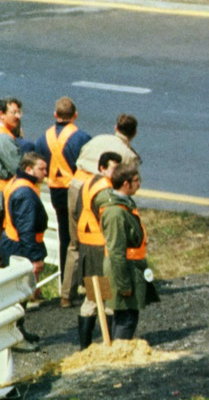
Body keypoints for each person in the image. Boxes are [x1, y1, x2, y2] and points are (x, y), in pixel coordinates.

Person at [64, 113, 139, 309]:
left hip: (77, 185)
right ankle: (104, 295)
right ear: (134, 133)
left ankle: (67, 295)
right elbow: (128, 185)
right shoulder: (128, 155)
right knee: (104, 244)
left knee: (76, 243)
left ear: (115, 127)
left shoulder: (97, 139)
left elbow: (78, 157)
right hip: (100, 191)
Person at [35, 97, 92, 307]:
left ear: (55, 115)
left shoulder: (43, 138)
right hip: (76, 190)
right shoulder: (81, 138)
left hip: (56, 192)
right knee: (84, 235)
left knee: (65, 238)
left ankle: (65, 285)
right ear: (75, 115)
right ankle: (85, 283)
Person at [95, 163, 155, 340]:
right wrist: (124, 285)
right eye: (136, 180)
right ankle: (119, 350)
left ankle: (117, 348)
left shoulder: (123, 204)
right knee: (126, 317)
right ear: (125, 184)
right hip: (123, 270)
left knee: (124, 313)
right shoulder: (115, 213)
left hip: (130, 266)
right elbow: (116, 251)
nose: (139, 183)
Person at [1, 152, 49, 352]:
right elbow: (26, 229)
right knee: (19, 294)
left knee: (18, 293)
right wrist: (34, 259)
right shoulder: (25, 193)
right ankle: (14, 336)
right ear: (29, 169)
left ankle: (19, 331)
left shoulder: (16, 182)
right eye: (41, 169)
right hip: (20, 247)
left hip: (12, 242)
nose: (46, 173)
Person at [75, 151, 121, 349]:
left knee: (93, 295)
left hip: (87, 247)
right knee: (104, 296)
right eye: (114, 169)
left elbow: (76, 212)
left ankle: (86, 345)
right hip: (100, 249)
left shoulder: (87, 183)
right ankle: (106, 342)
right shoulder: (105, 191)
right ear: (102, 168)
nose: (117, 173)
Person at [0, 98, 23, 193]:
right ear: (1, 114)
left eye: (19, 112)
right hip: (4, 190)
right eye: (14, 113)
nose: (18, 116)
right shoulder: (4, 138)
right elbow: (16, 168)